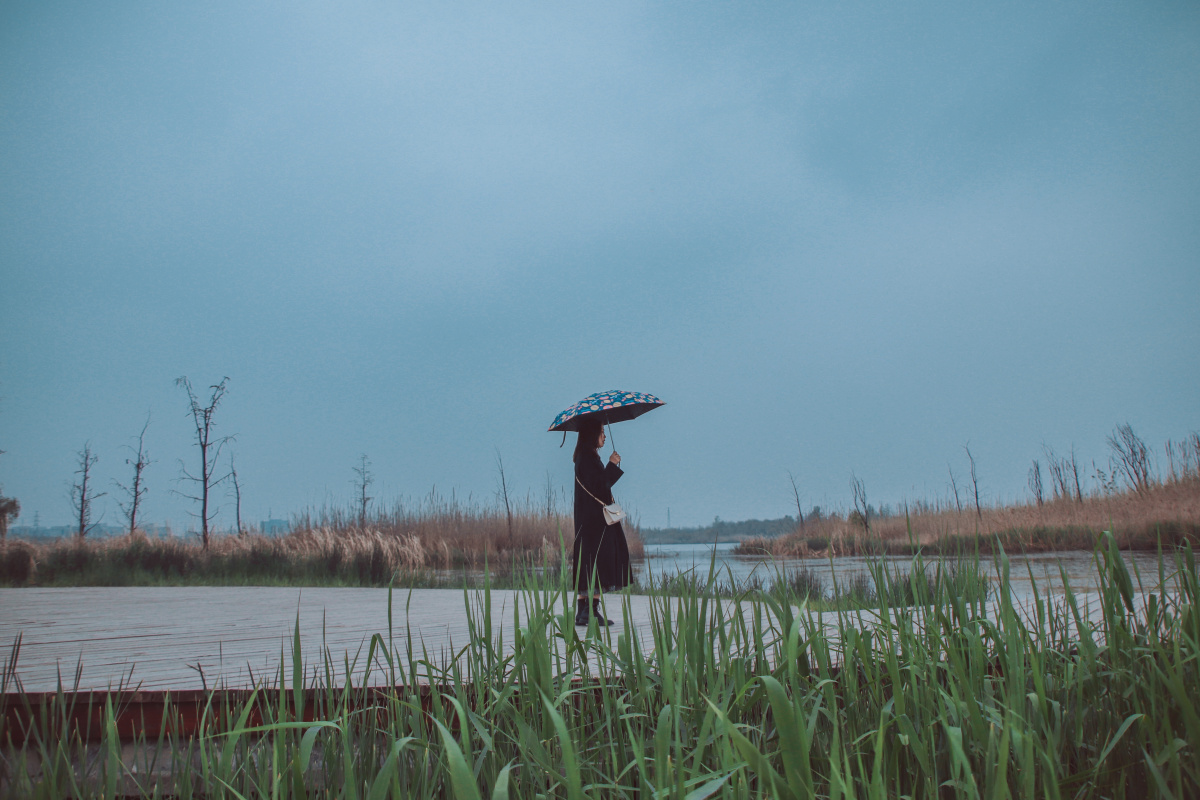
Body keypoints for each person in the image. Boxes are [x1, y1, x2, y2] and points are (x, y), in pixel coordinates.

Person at [572, 417, 632, 626]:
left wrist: (608, 465)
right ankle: (590, 612)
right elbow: (600, 486)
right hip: (595, 522)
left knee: (587, 561)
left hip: (587, 520)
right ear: (592, 434)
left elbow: (597, 484)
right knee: (597, 560)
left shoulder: (583, 456)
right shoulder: (588, 458)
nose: (604, 436)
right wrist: (612, 464)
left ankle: (583, 612)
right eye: (601, 432)